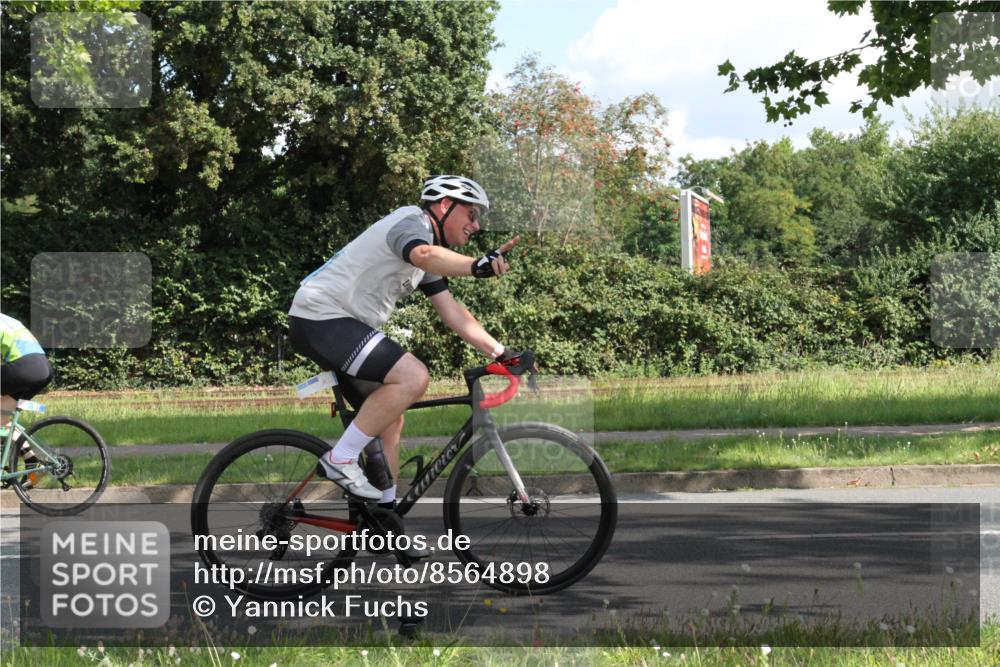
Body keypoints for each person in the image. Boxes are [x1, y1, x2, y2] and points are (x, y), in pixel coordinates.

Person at [288, 175, 519, 516]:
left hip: (335, 324)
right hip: (322, 317)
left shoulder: (428, 254)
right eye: (471, 214)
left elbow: (452, 312)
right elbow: (423, 254)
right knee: (413, 376)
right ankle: (341, 458)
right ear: (444, 205)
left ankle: (382, 519)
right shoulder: (411, 223)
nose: (476, 225)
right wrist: (475, 266)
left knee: (389, 421)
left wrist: (501, 352)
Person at [1, 313, 54, 484]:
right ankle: (33, 464)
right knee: (1, 417)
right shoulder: (7, 319)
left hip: (26, 367)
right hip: (42, 367)